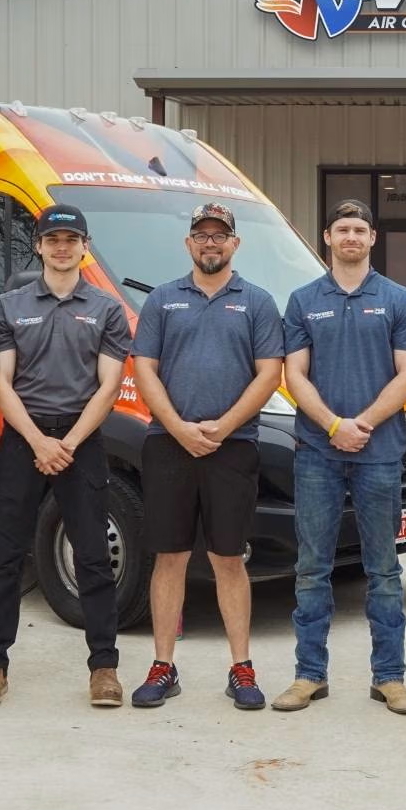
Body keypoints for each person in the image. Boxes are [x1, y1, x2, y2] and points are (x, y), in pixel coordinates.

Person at [0, 204, 132, 709]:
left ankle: (103, 667)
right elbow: (1, 381)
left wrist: (69, 443)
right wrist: (39, 442)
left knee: (93, 558)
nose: (62, 247)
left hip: (80, 441)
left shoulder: (105, 308)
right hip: (23, 438)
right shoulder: (9, 305)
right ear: (37, 246)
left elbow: (108, 387)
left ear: (85, 248)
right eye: (53, 239)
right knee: (7, 557)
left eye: (71, 239)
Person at [129, 202, 285, 710]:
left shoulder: (257, 302)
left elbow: (269, 373)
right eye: (202, 235)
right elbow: (144, 369)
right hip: (168, 445)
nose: (211, 243)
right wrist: (177, 427)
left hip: (233, 447)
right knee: (168, 557)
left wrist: (224, 426)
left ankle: (241, 668)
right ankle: (162, 666)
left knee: (228, 559)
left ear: (235, 244)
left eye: (221, 235)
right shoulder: (163, 300)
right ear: (189, 243)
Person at [272, 199, 406, 714]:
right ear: (328, 237)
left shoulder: (398, 298)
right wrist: (335, 426)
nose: (352, 237)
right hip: (317, 452)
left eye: (360, 229)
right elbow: (293, 374)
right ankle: (309, 675)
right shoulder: (302, 299)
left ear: (372, 238)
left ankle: (391, 678)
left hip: (380, 453)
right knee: (312, 567)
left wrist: (363, 425)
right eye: (343, 229)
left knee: (383, 569)